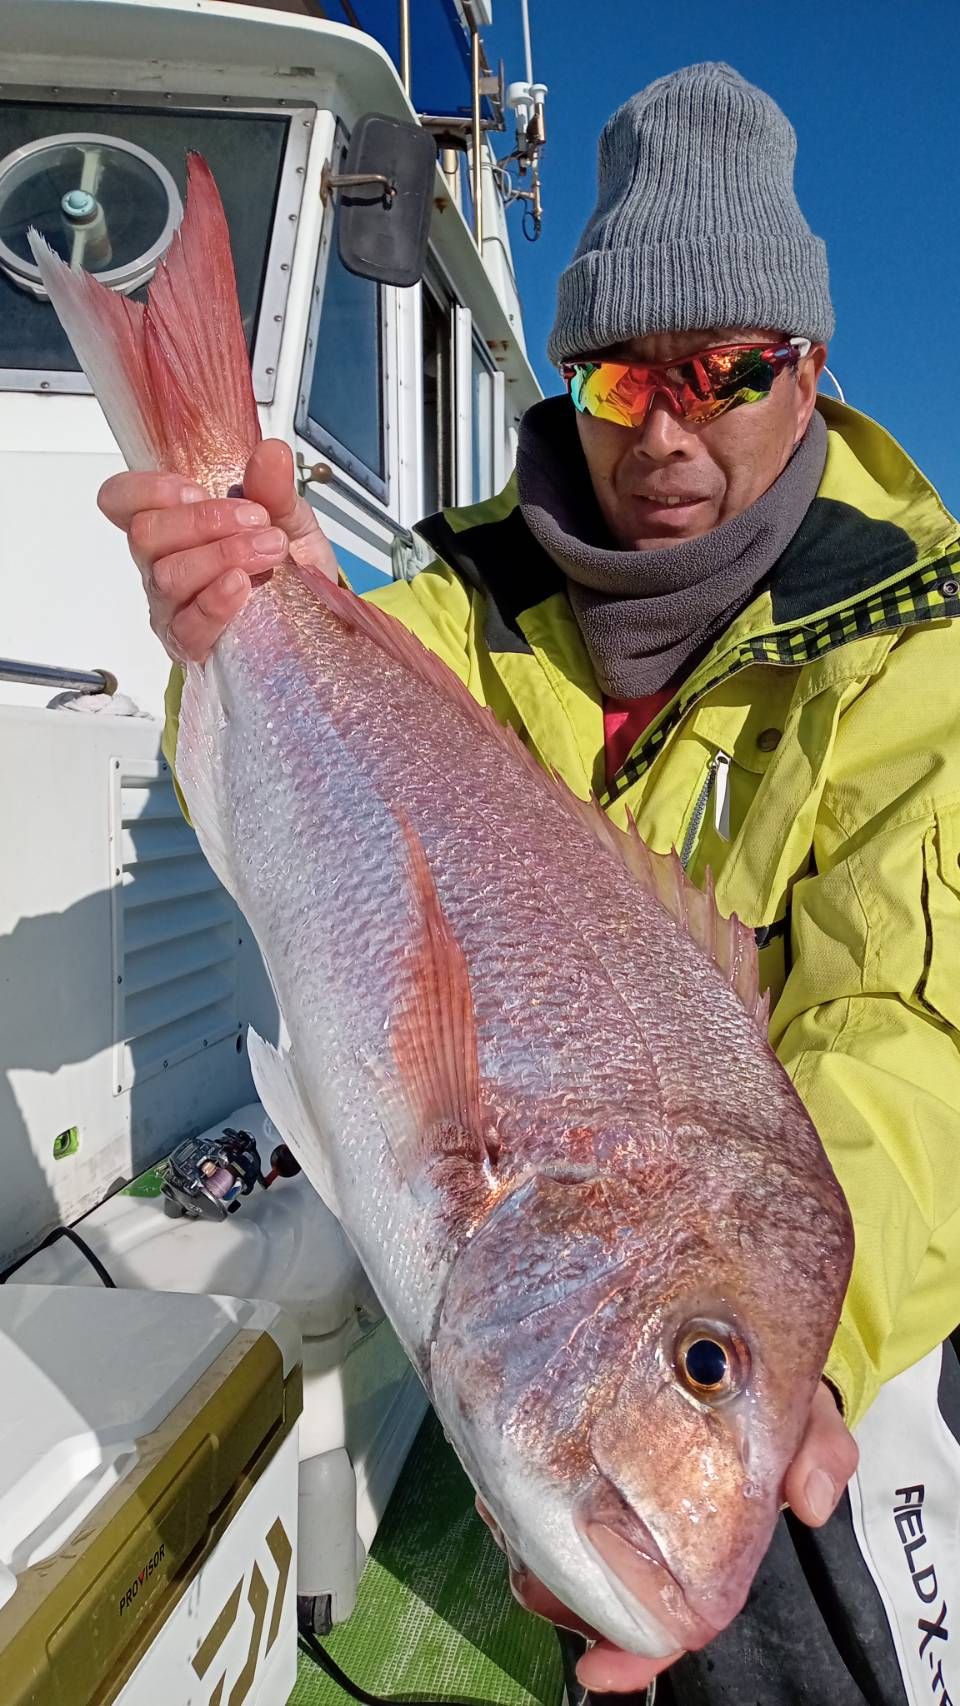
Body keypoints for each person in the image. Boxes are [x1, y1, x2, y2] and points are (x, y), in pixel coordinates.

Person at [99, 63, 960, 1706]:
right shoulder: (458, 599)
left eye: (728, 371)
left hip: (847, 1315)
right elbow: (285, 790)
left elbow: (919, 1041)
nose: (670, 428)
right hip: (531, 1260)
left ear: (809, 370)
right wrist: (222, 619)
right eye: (626, 376)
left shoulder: (925, 648)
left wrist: (794, 1349)